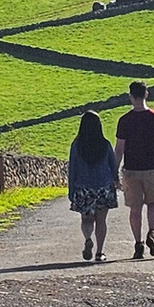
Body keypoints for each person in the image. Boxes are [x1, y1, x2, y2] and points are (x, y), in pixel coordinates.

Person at [115, 81, 154, 260]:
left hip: (131, 170)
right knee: (153, 202)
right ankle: (152, 233)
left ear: (131, 97)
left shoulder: (124, 121)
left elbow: (119, 150)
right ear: (146, 94)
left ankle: (138, 243)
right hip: (151, 168)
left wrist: (114, 171)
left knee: (135, 208)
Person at [68, 110, 118, 263]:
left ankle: (88, 238)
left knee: (86, 219)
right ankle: (100, 252)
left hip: (83, 187)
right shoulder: (105, 144)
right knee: (101, 220)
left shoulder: (76, 146)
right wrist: (115, 181)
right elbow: (113, 165)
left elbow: (73, 169)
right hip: (104, 186)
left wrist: (71, 190)